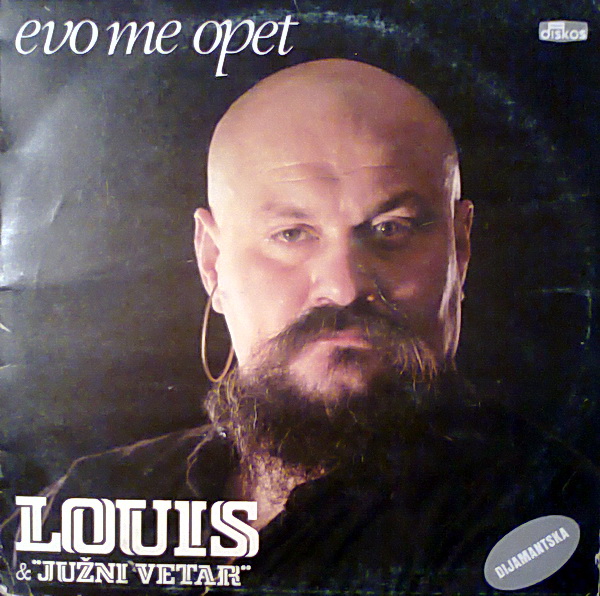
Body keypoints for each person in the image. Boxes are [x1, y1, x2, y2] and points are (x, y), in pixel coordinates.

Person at [2, 59, 599, 595]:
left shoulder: (545, 512)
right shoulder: (94, 496)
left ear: (459, 251)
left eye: (391, 228)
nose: (343, 287)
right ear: (212, 262)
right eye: (291, 234)